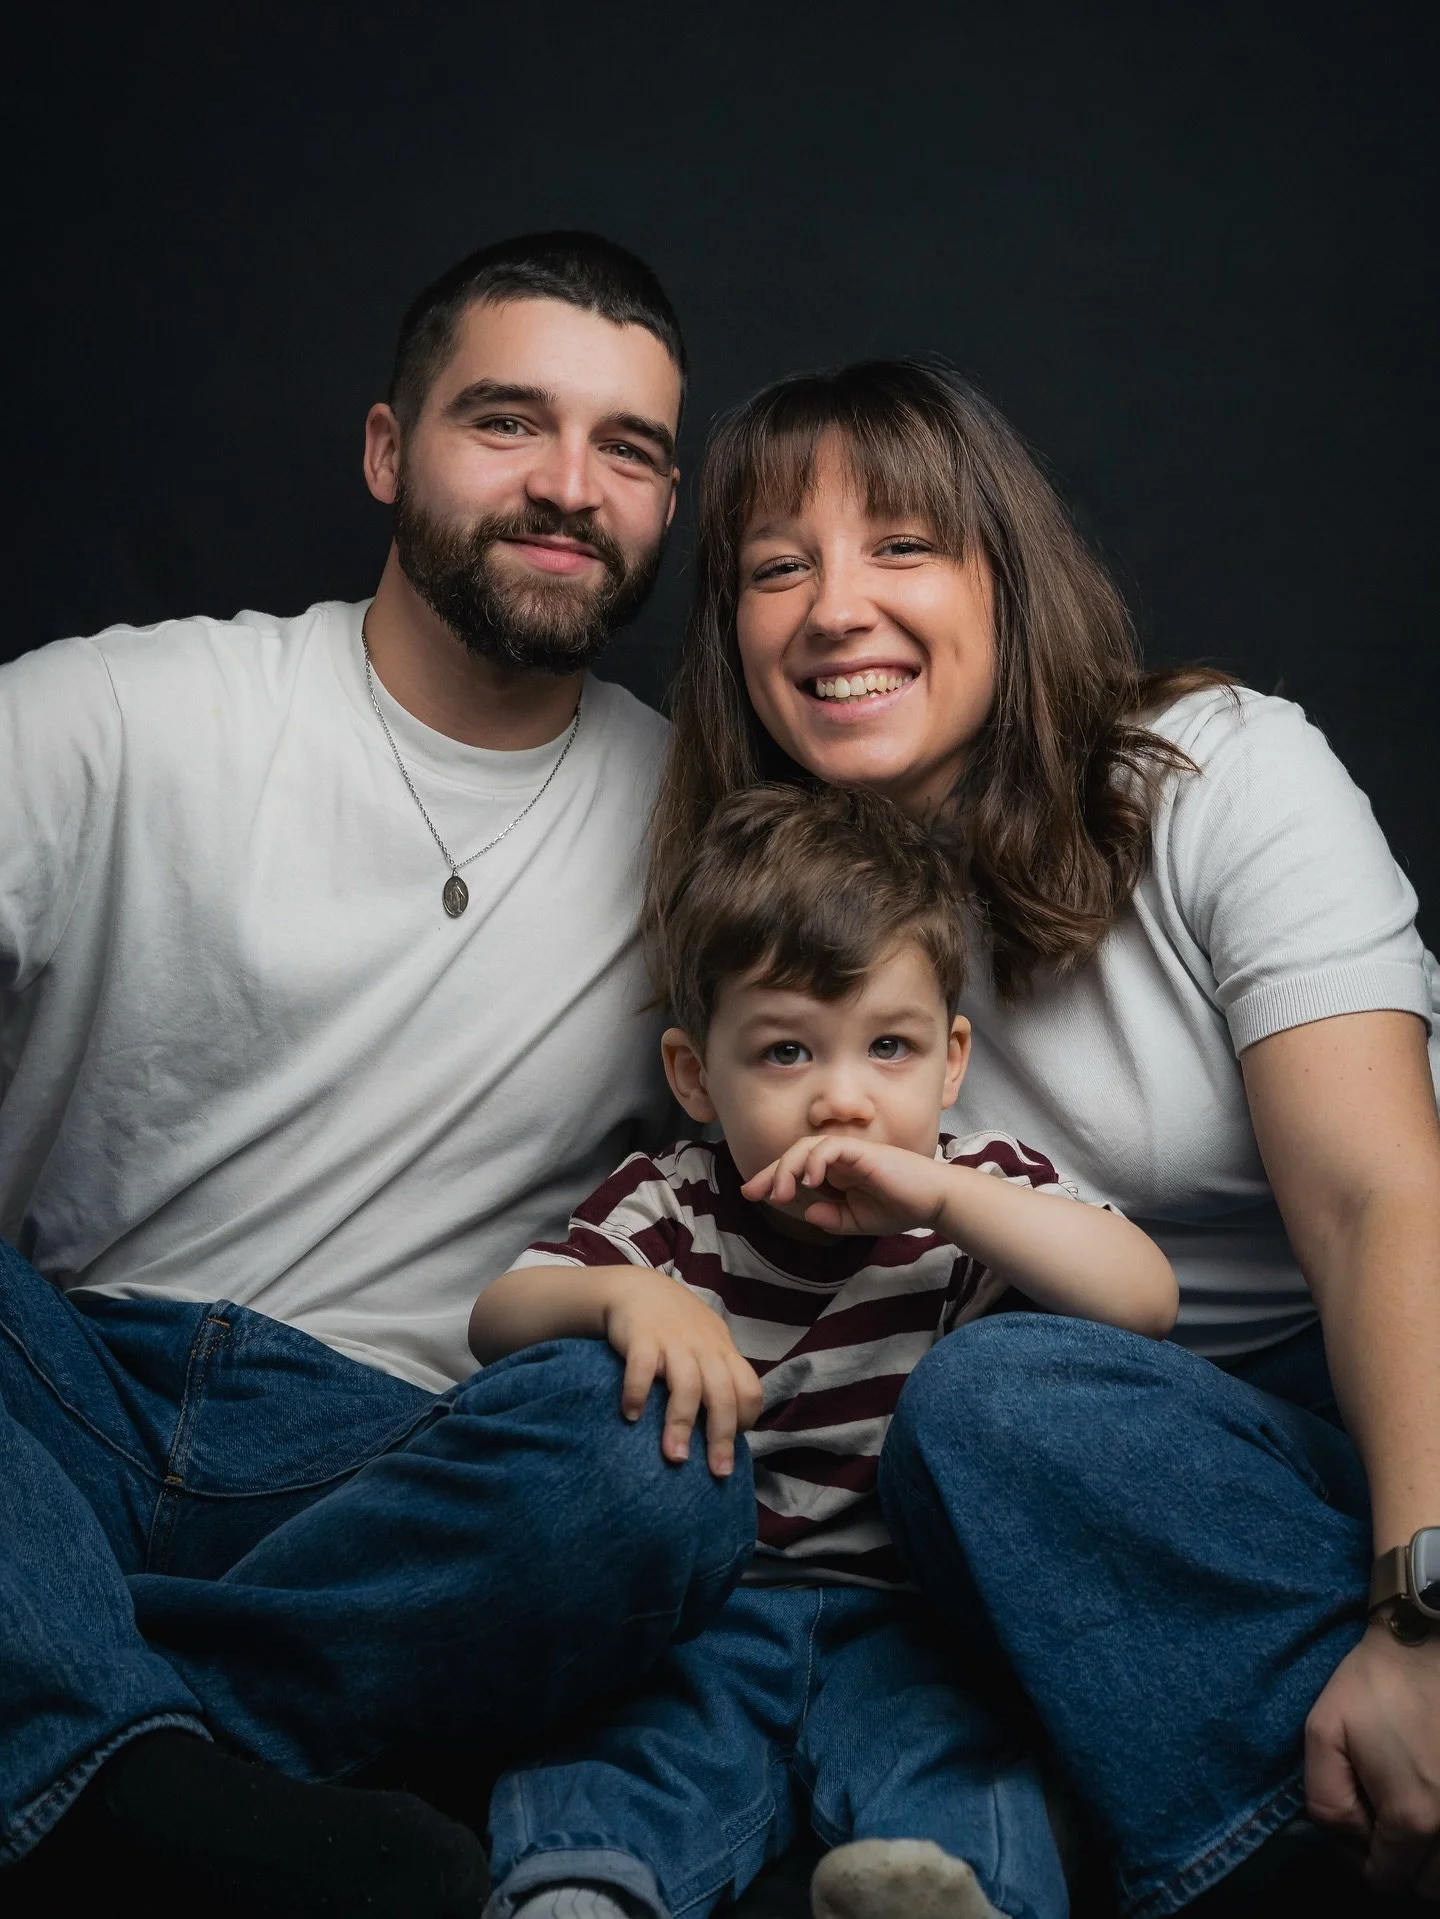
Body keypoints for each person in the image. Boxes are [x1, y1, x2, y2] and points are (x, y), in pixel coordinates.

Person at [0, 231, 754, 1918]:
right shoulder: (123, 713)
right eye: (508, 421)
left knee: (664, 1459)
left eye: (626, 448)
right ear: (385, 449)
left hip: (399, 1465)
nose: (569, 486)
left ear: (664, 500)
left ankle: (103, 1751)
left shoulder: (702, 825)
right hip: (55, 1395)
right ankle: (141, 1770)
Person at [645, 359, 1440, 1913]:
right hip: (1044, 1490)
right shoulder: (757, 911)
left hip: (1367, 1401)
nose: (832, 609)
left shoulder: (1217, 772)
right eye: (776, 567)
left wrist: (1422, 1612)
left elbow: (1377, 1199)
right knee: (969, 1426)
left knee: (989, 1404)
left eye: (902, 545)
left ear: (1004, 577)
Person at [468, 782, 1178, 1919]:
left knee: (961, 1766)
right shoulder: (675, 1207)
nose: (843, 1099)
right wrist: (618, 1299)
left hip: (915, 1624)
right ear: (699, 1076)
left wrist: (948, 1196)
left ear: (951, 1062)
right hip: (708, 1619)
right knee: (622, 1757)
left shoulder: (976, 1194)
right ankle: (581, 1890)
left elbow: (1145, 1296)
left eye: (887, 1047)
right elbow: (495, 1316)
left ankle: (950, 1899)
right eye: (788, 1050)